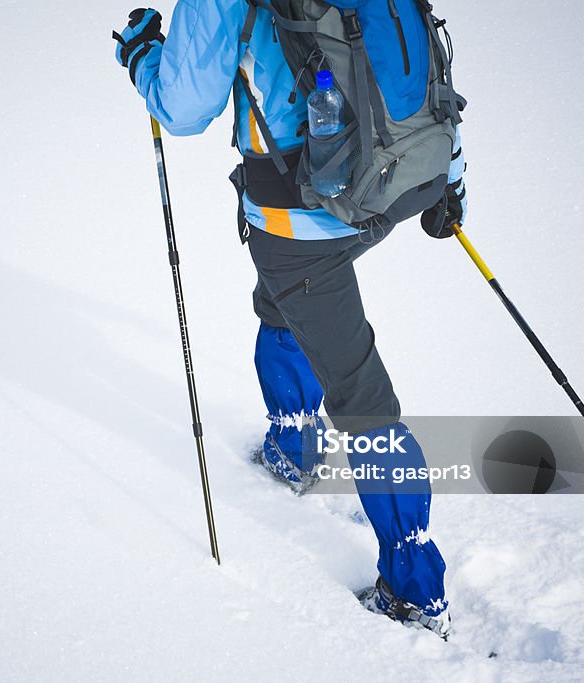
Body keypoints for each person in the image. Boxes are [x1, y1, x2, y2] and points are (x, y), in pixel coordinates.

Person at [114, 1, 467, 639]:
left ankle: (415, 588)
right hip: (398, 182)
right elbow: (424, 66)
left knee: (360, 395)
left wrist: (142, 57)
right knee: (284, 301)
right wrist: (452, 180)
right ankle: (293, 445)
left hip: (300, 218)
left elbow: (184, 108)